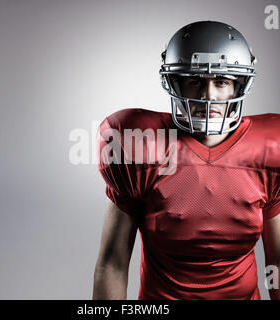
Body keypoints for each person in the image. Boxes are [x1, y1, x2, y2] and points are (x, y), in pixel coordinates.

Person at [93, 21, 280, 300]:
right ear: (175, 84)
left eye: (222, 82)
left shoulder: (269, 149)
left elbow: (276, 263)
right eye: (194, 82)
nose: (208, 96)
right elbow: (113, 264)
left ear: (239, 85)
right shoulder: (136, 146)